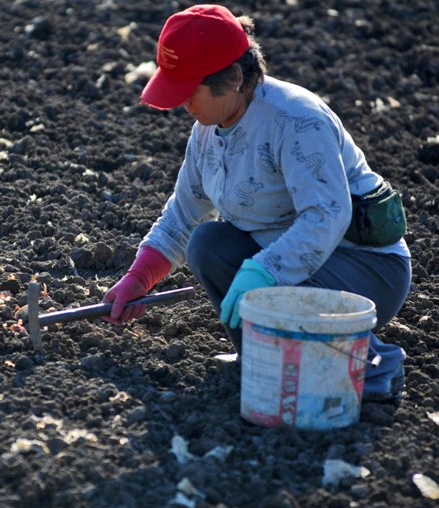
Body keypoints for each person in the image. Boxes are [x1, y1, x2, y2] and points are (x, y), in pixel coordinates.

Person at [102, 4, 411, 403]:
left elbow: (327, 215)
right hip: (291, 262)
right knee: (208, 243)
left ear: (232, 79)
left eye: (190, 89)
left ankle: (375, 364)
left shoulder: (295, 120)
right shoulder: (206, 133)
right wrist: (138, 278)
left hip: (364, 266)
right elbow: (183, 214)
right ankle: (262, 355)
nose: (183, 104)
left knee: (265, 279)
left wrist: (265, 272)